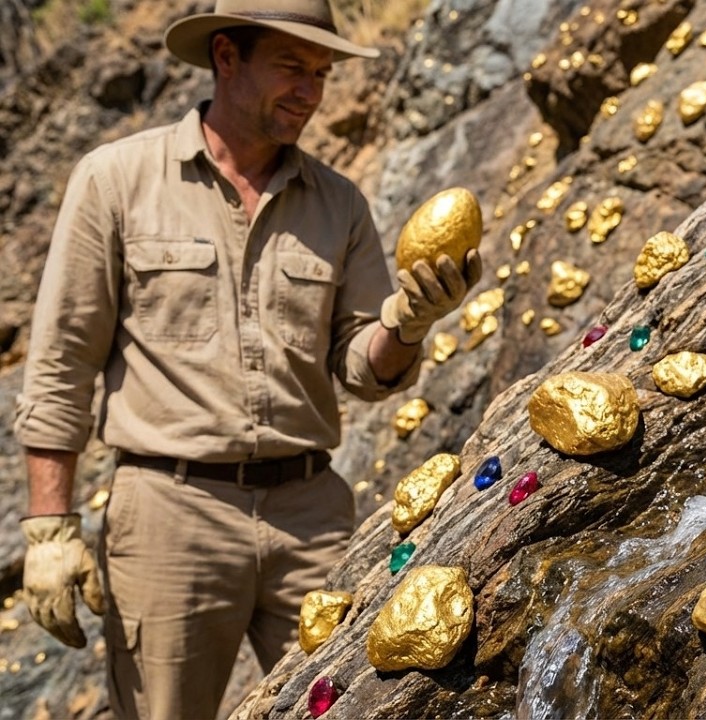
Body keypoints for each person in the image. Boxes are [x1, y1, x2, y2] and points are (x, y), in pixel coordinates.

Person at [14, 1, 479, 717]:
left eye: (321, 74)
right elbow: (62, 361)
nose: (311, 92)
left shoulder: (340, 205)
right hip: (172, 516)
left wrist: (409, 321)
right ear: (226, 57)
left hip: (311, 517)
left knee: (369, 703)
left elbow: (361, 367)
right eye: (292, 67)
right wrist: (50, 527)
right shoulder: (116, 180)